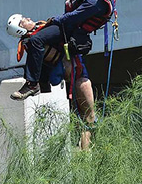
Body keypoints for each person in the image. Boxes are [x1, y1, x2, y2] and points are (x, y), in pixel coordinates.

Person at [10, 0, 119, 101]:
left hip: (72, 29)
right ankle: (44, 82)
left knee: (35, 40)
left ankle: (32, 85)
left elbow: (74, 17)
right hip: (69, 24)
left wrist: (54, 19)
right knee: (39, 39)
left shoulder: (95, 2)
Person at [6, 14, 96, 149]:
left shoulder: (41, 35)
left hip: (77, 73)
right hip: (78, 77)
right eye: (23, 21)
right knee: (88, 117)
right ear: (20, 29)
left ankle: (85, 151)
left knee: (87, 117)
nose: (28, 18)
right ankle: (86, 152)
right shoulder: (33, 42)